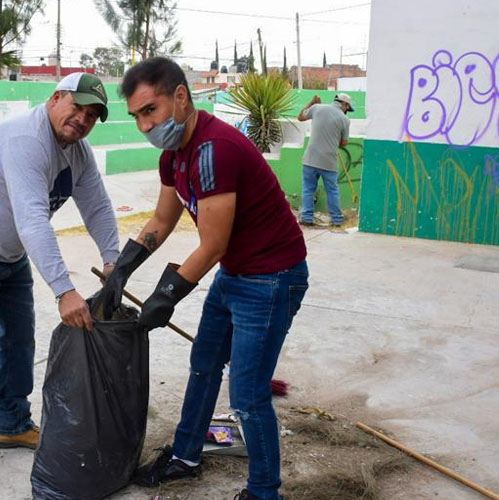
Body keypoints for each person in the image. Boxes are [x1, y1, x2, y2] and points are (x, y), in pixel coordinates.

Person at [105, 57, 309, 500]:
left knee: (249, 396)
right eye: (137, 116)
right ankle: (186, 455)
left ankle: (263, 491)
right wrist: (121, 270)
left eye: (150, 111)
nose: (144, 125)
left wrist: (167, 295)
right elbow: (162, 218)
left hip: (272, 278)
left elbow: (213, 244)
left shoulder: (215, 150)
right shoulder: (174, 155)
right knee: (204, 364)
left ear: (180, 97)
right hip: (237, 273)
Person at [0, 72, 121, 494]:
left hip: (8, 254)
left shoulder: (79, 153)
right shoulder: (26, 141)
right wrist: (63, 289)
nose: (82, 119)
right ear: (56, 98)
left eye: (91, 115)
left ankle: (12, 424)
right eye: (77, 107)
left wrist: (113, 262)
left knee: (19, 339)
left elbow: (99, 207)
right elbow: (33, 219)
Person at [296, 92, 353, 228]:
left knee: (308, 190)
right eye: (347, 108)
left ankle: (307, 218)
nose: (347, 111)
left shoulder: (317, 108)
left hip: (310, 159)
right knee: (332, 191)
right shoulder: (345, 120)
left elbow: (300, 117)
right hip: (329, 161)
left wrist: (312, 102)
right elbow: (344, 143)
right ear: (344, 104)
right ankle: (337, 220)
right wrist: (334, 141)